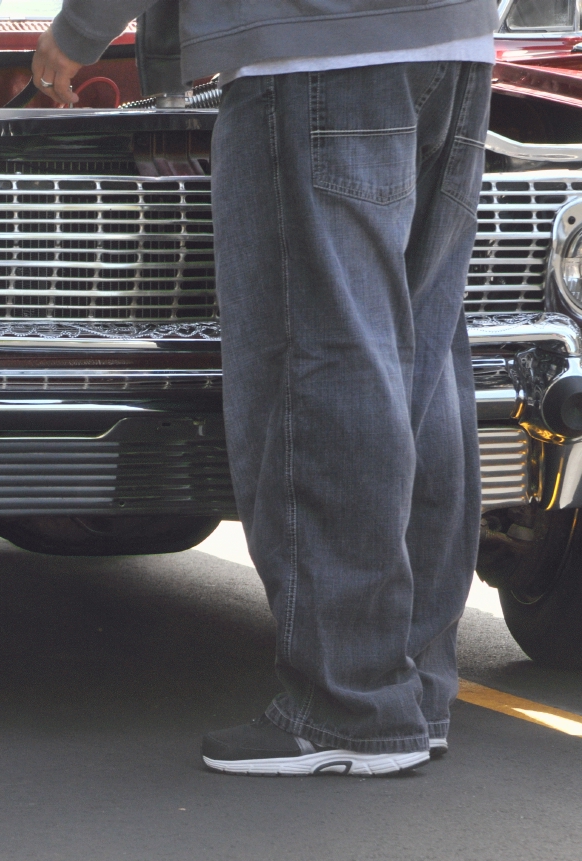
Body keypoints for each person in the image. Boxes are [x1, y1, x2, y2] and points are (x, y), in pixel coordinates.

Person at [32, 0, 497, 776]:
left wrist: (77, 33)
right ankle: (410, 691)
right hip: (453, 41)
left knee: (323, 359)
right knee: (418, 360)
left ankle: (348, 704)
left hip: (313, 52)